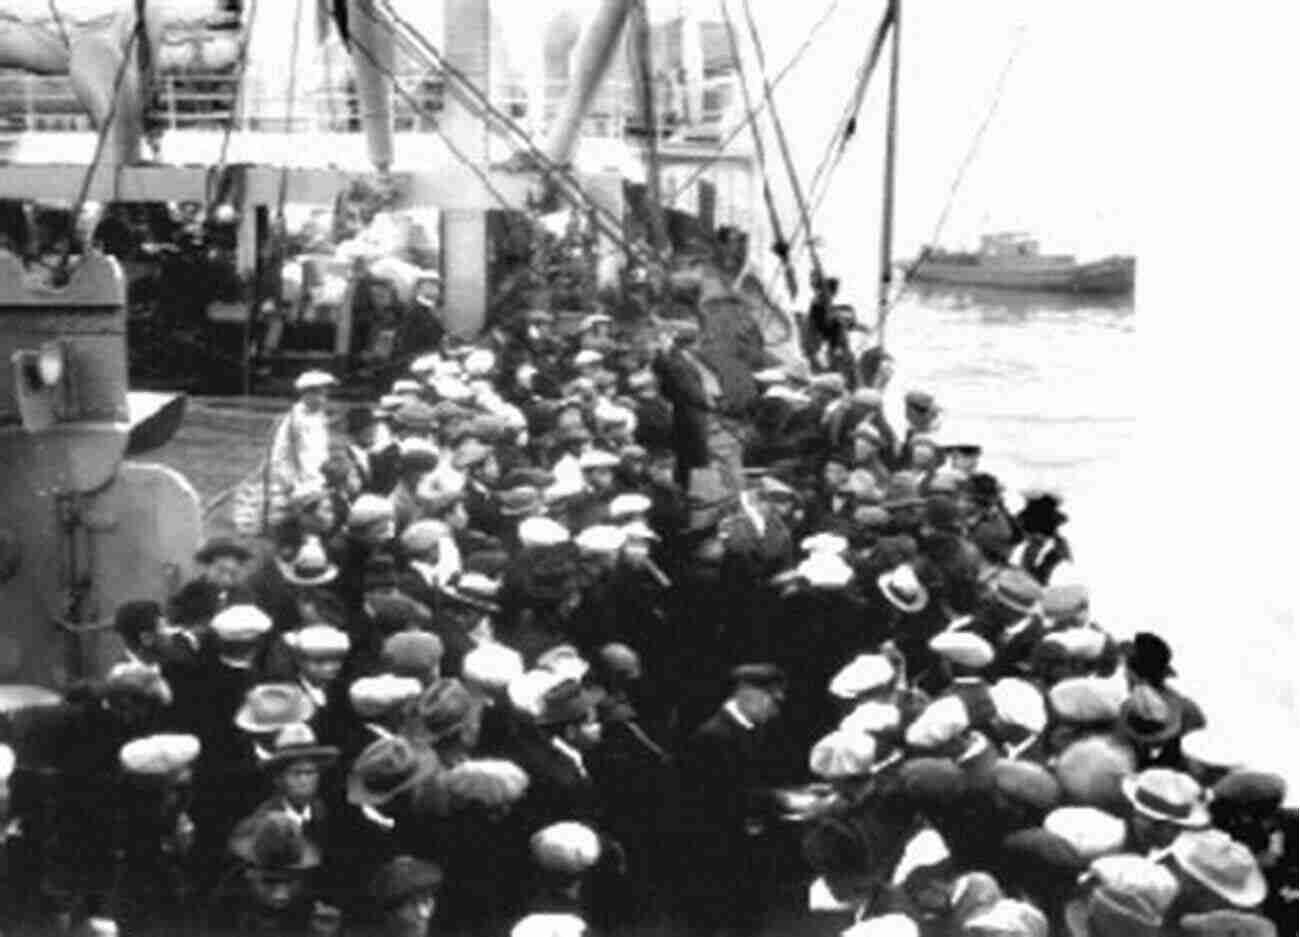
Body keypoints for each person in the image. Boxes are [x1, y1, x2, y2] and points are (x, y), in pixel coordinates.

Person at [268, 371, 338, 527]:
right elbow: (279, 459)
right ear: (307, 394)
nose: (323, 398)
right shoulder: (293, 420)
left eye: (325, 393)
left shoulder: (320, 418)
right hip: (298, 489)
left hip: (318, 483)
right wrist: (292, 486)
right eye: (319, 393)